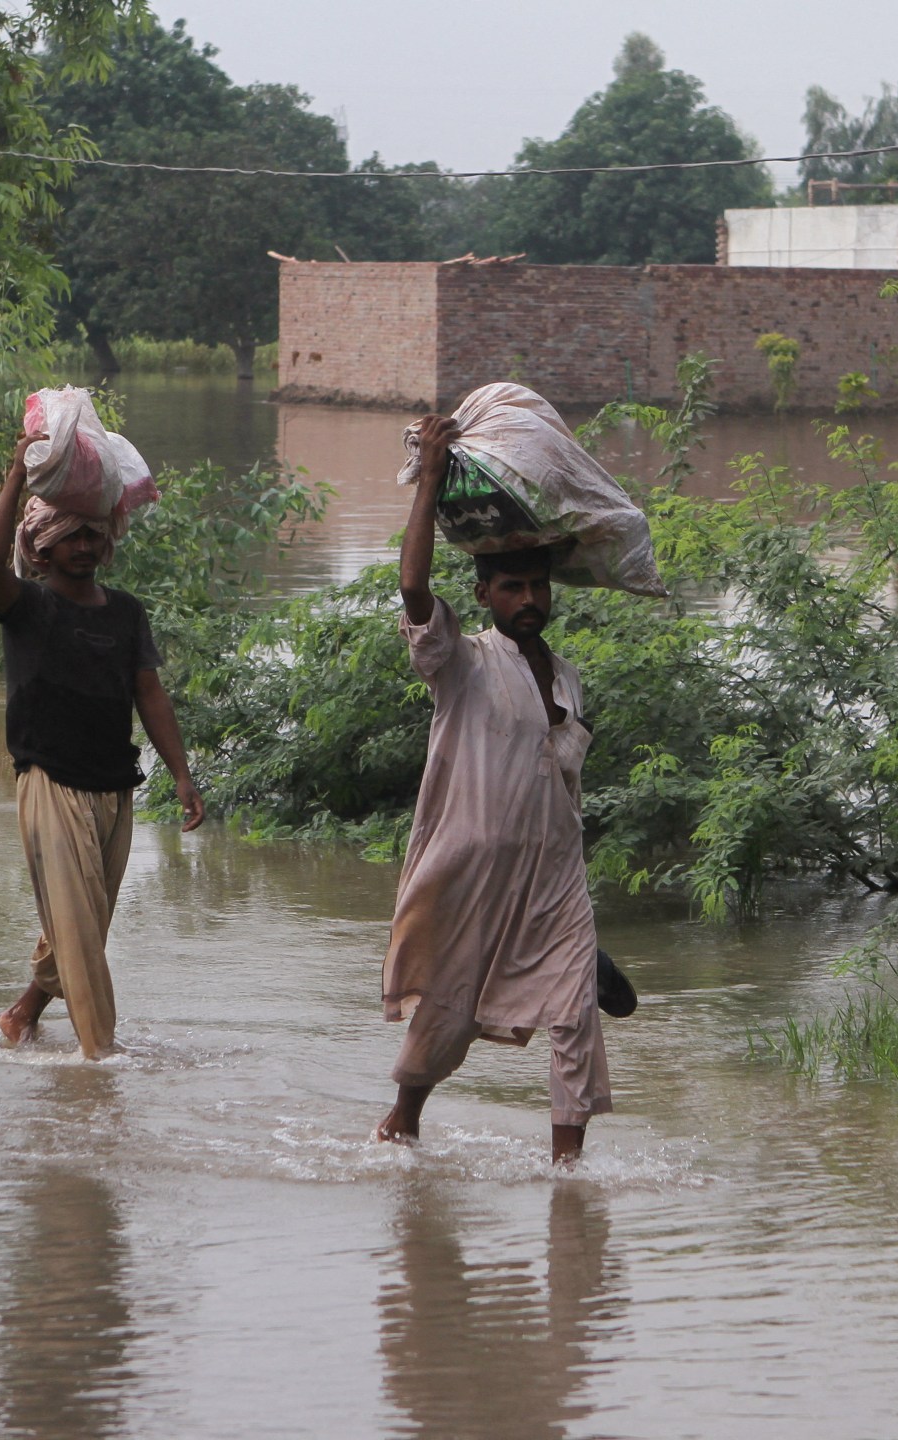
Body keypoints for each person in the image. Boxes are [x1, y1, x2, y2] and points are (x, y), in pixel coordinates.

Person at [375, 415, 610, 1164]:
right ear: (484, 594)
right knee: (445, 1019)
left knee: (575, 1016)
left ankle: (567, 1170)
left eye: (539, 584)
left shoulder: (566, 677)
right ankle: (404, 1116)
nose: (530, 596)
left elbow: (564, 786)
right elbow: (413, 585)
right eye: (513, 586)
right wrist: (435, 480)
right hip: (470, 872)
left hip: (554, 878)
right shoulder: (463, 663)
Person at [0, 437, 204, 1059]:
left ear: (106, 542)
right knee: (77, 930)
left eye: (91, 537)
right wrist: (14, 480)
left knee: (84, 928)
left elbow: (149, 694)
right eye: (70, 537)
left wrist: (182, 775)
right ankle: (101, 1059)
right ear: (42, 549)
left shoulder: (126, 613)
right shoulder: (28, 606)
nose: (83, 547)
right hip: (50, 781)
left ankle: (22, 1013)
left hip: (114, 785)